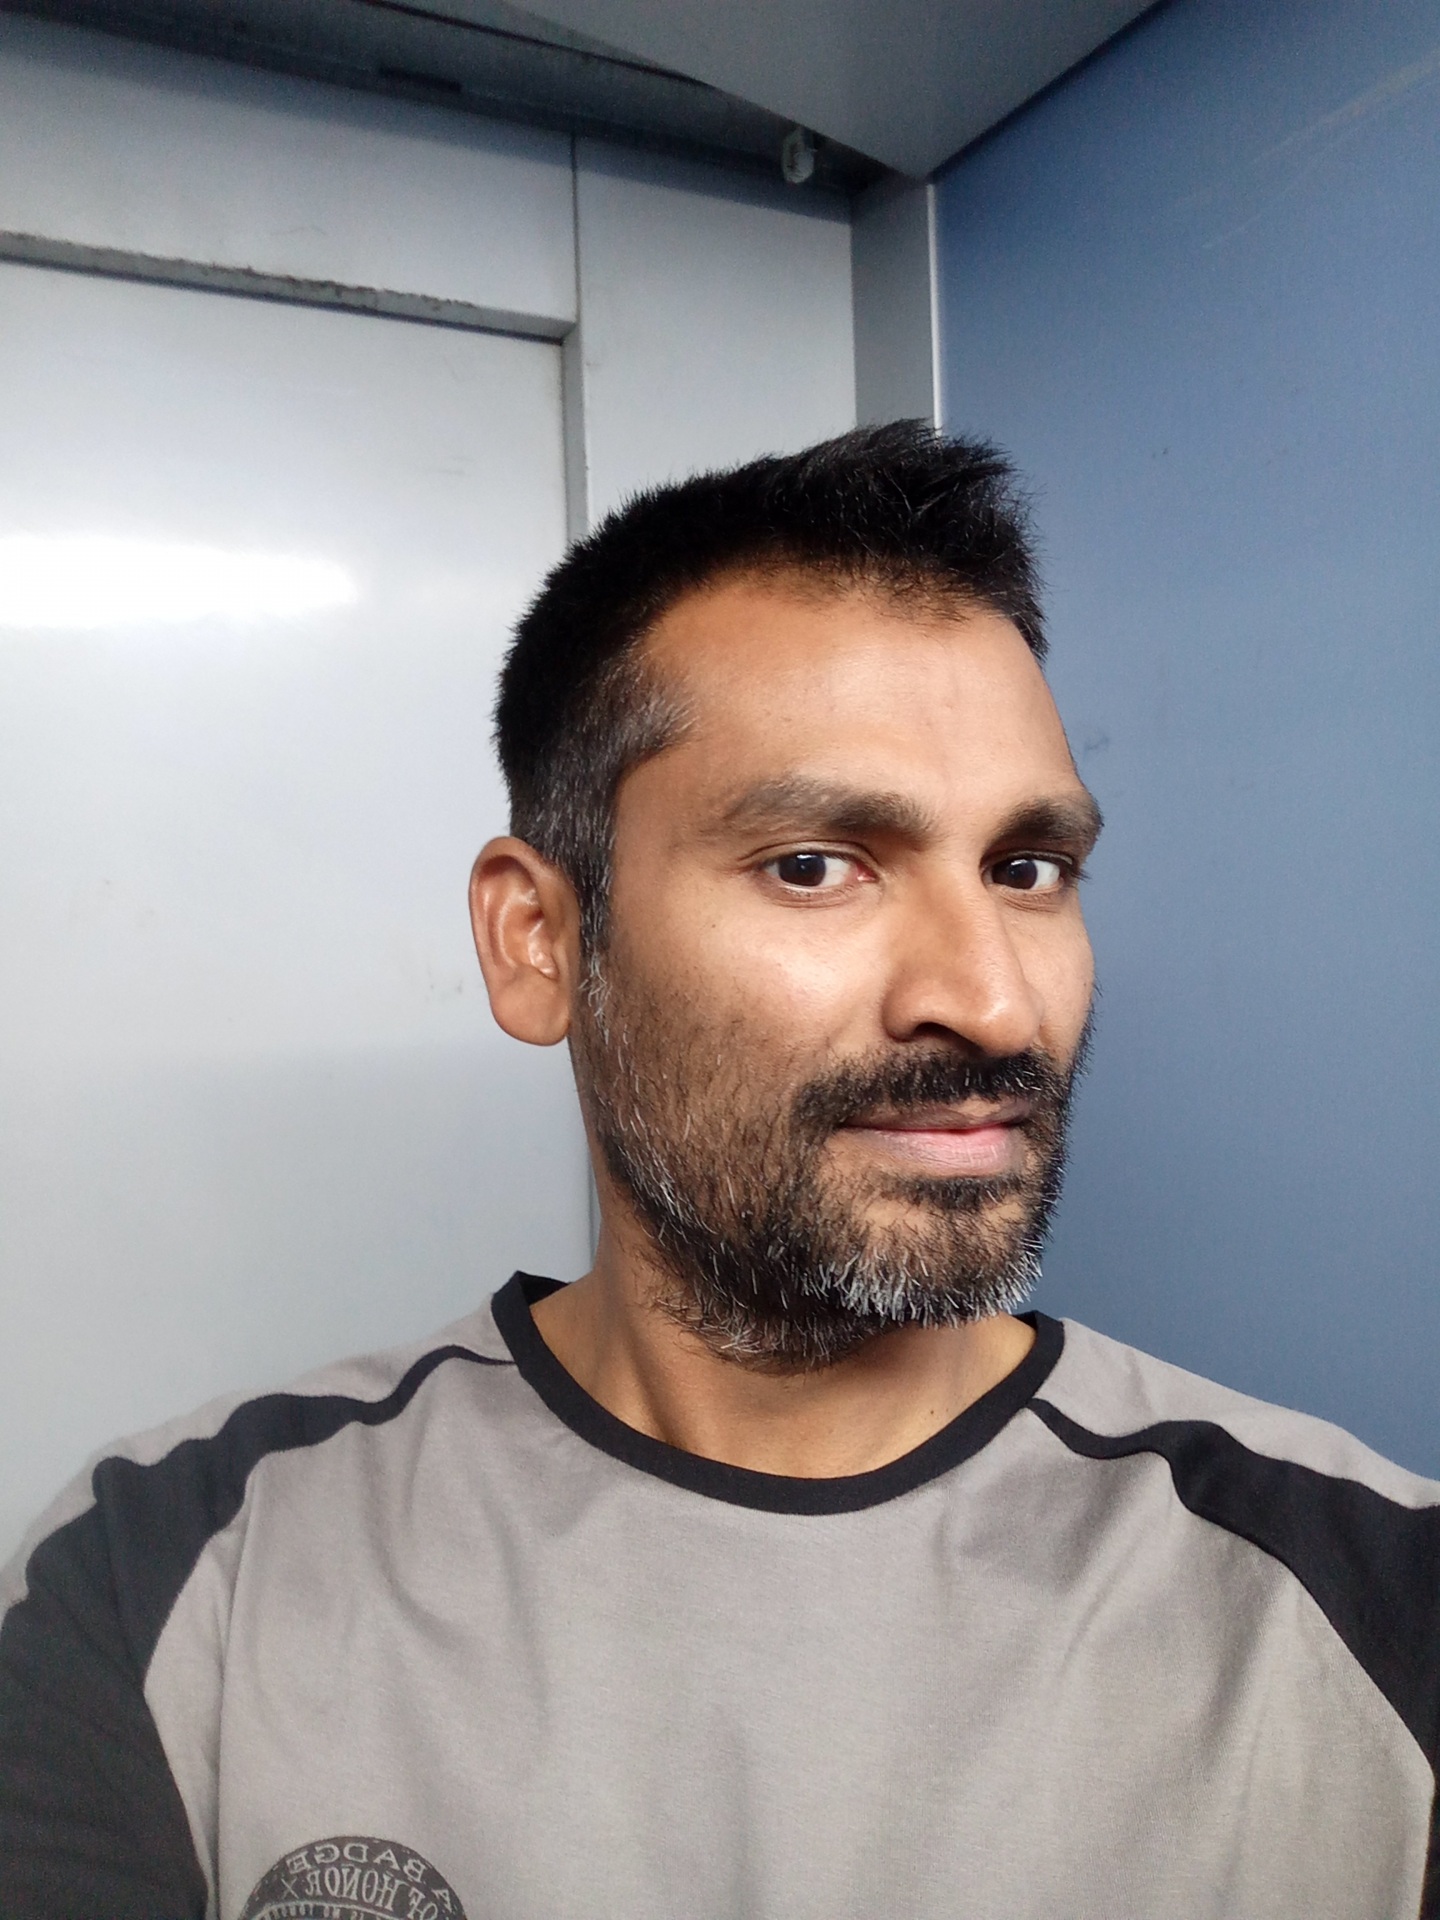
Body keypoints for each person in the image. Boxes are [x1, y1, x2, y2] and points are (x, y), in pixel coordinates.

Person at [0, 424, 1435, 1920]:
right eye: (815, 864)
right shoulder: (177, 1578)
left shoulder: (1381, 1603)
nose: (993, 1001)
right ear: (541, 941)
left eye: (1028, 870)